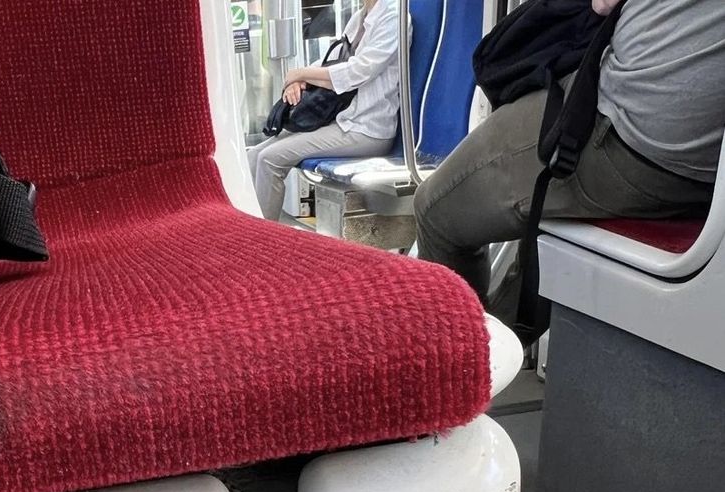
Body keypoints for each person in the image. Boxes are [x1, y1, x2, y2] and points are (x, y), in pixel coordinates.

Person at [413, 0, 725, 320]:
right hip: (709, 175)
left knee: (436, 211)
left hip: (632, 138)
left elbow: (603, 5)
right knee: (535, 209)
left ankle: (463, 360)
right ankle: (504, 337)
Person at [248, 0, 400, 222]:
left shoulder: (393, 17)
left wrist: (301, 74)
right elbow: (331, 60)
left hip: (366, 128)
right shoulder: (360, 17)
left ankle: (262, 245)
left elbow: (358, 71)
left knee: (270, 160)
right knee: (254, 156)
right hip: (340, 120)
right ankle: (248, 233)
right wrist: (298, 80)